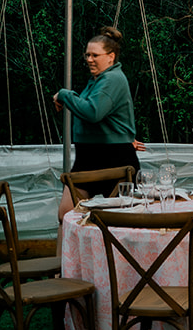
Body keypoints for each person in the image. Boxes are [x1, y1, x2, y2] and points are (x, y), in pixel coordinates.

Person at [53, 26, 141, 220]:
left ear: (111, 56)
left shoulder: (112, 79)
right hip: (89, 157)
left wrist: (64, 94)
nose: (89, 60)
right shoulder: (97, 80)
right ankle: (65, 252)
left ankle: (115, 252)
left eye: (95, 55)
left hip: (112, 159)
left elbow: (93, 112)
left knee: (120, 221)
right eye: (87, 55)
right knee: (66, 215)